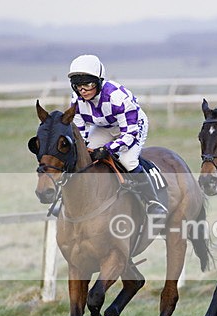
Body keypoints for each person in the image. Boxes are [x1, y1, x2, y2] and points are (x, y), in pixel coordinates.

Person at [67, 54, 167, 217]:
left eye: (88, 84)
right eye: (78, 86)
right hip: (104, 126)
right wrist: (85, 147)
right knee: (84, 157)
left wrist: (107, 149)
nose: (83, 90)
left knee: (128, 160)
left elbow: (129, 134)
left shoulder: (119, 98)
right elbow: (80, 130)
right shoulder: (76, 99)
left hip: (131, 126)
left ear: (99, 82)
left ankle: (153, 201)